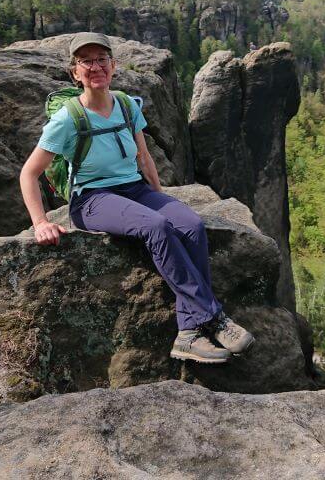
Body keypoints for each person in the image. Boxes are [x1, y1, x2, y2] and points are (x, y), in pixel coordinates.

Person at [20, 32, 254, 364]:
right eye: (86, 61)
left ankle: (187, 334)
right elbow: (29, 173)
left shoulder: (127, 105)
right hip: (92, 199)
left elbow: (144, 157)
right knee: (155, 226)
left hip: (135, 190)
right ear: (75, 72)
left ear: (113, 65)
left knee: (189, 224)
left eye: (102, 59)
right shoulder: (68, 119)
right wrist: (40, 222)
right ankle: (212, 316)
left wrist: (163, 198)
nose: (95, 67)